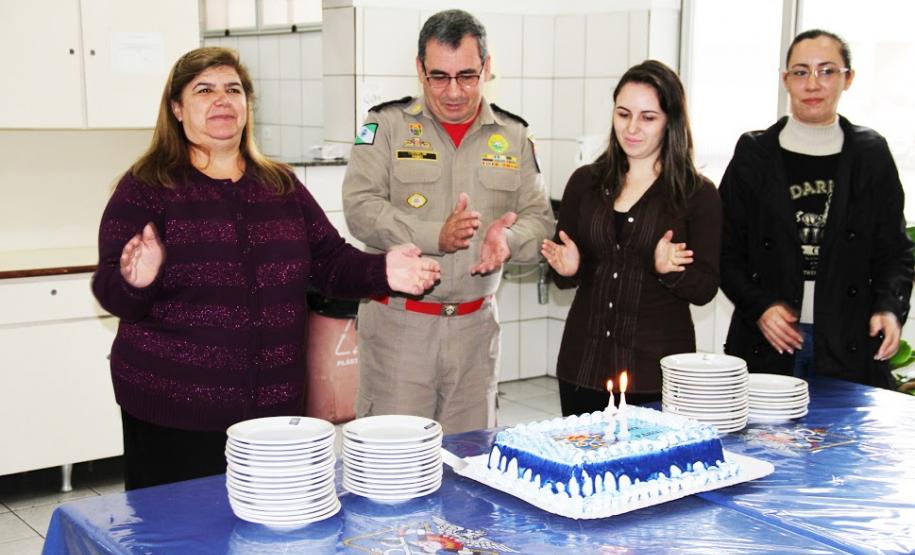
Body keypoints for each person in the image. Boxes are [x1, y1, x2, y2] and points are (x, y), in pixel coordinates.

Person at [91, 47, 440, 490]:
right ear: (177, 108)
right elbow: (110, 290)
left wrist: (383, 271)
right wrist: (134, 281)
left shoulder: (280, 185)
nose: (222, 100)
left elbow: (330, 262)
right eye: (205, 90)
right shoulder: (147, 187)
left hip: (273, 417)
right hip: (173, 412)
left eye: (233, 89)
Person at [342, 9, 554, 434]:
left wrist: (508, 240)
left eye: (468, 76)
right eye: (439, 76)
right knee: (396, 468)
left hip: (476, 334)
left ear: (488, 69)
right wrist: (432, 235)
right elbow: (360, 207)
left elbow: (540, 219)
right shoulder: (385, 126)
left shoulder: (513, 136)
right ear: (419, 70)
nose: (454, 91)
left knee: (471, 471)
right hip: (401, 330)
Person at [719, 29, 913, 388]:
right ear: (785, 80)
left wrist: (890, 308)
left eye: (827, 71)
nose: (813, 84)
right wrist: (759, 306)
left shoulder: (870, 154)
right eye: (801, 71)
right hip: (767, 342)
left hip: (848, 341)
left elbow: (896, 250)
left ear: (848, 79)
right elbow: (725, 249)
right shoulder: (754, 153)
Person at [541, 60, 721, 416]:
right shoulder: (585, 182)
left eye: (648, 117)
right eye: (623, 114)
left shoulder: (697, 194)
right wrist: (568, 269)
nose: (632, 128)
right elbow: (565, 278)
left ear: (671, 121)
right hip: (583, 368)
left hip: (654, 375)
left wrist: (670, 270)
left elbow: (705, 290)